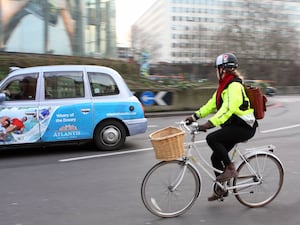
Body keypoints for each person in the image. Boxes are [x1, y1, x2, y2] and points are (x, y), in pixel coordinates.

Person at [185, 53, 258, 201]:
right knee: (215, 157)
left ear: (223, 69)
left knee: (212, 138)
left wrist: (209, 124)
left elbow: (227, 109)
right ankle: (222, 189)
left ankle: (230, 168)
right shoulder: (224, 87)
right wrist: (194, 116)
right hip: (235, 126)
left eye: (217, 69)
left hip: (245, 127)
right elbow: (211, 104)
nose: (215, 72)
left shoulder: (235, 86)